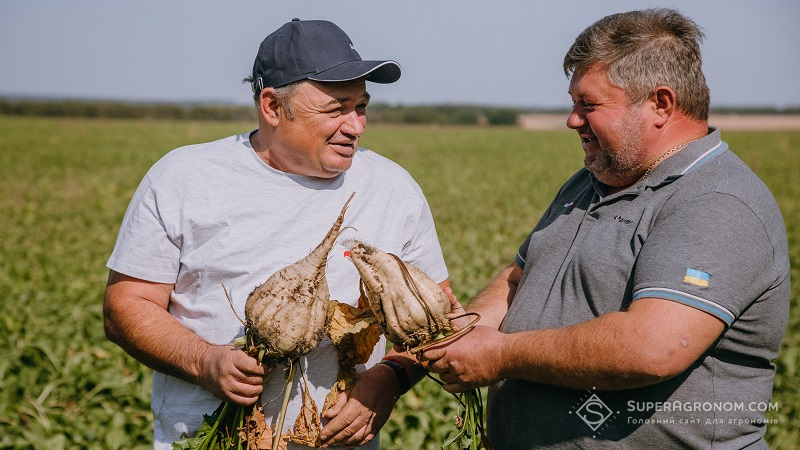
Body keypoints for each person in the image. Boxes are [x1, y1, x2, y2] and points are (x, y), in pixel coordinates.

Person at [421, 8, 789, 449]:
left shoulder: (716, 202)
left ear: (660, 104)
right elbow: (521, 276)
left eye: (589, 105)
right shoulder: (594, 179)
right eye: (573, 102)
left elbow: (652, 347)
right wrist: (468, 330)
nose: (572, 119)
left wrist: (499, 354)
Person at [103, 18, 448, 449]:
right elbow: (126, 306)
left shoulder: (393, 188)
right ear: (272, 106)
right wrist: (205, 361)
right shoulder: (184, 179)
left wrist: (390, 378)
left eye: (361, 107)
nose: (356, 125)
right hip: (208, 438)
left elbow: (436, 316)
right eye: (336, 108)